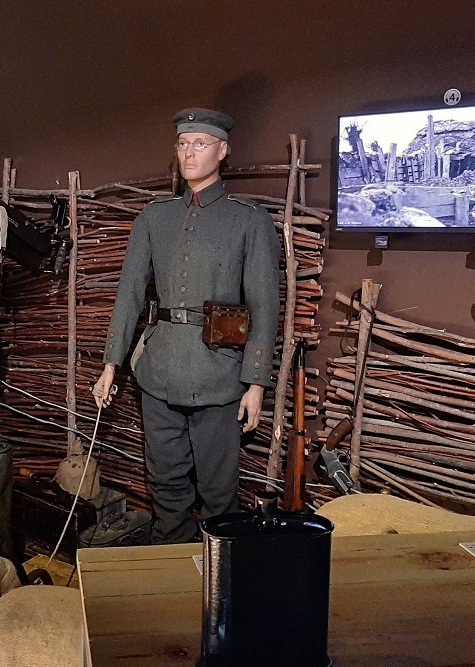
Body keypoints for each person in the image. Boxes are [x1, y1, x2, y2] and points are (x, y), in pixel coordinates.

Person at [92, 108, 280, 543]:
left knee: (218, 490)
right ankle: (168, 572)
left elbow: (264, 306)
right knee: (166, 484)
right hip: (159, 371)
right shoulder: (154, 218)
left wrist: (255, 384)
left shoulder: (248, 220)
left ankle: (220, 582)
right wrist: (110, 365)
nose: (189, 153)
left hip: (220, 374)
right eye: (182, 143)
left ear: (223, 150)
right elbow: (130, 295)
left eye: (200, 143)